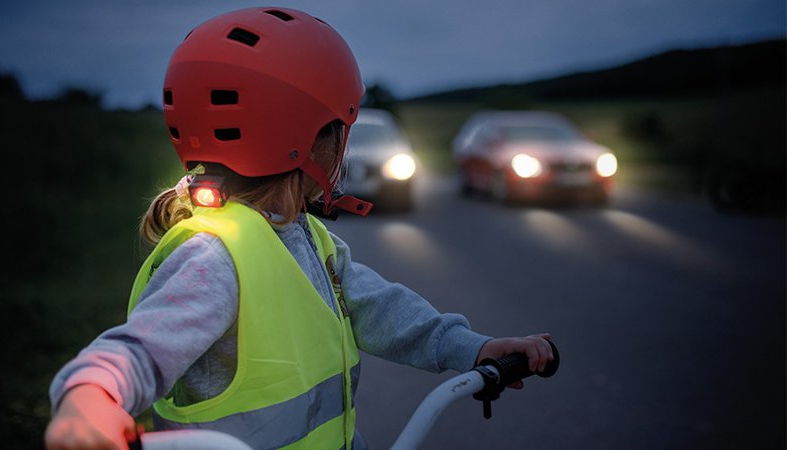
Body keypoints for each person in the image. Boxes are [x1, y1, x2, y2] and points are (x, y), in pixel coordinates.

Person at [44, 7, 553, 450]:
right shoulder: (215, 259)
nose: (344, 150)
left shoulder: (307, 236)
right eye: (341, 131)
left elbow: (380, 308)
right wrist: (90, 395)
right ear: (311, 144)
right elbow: (139, 350)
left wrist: (473, 348)